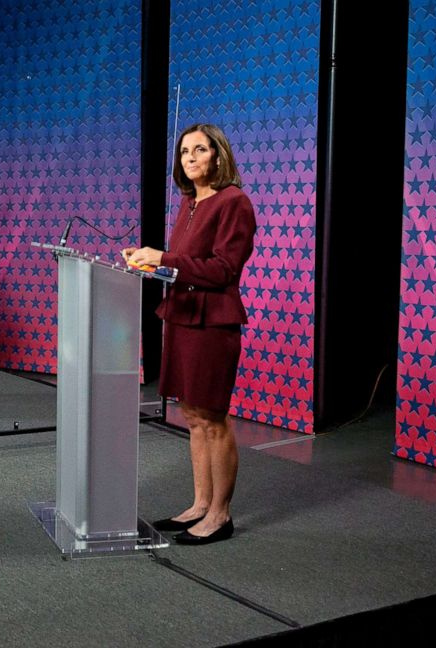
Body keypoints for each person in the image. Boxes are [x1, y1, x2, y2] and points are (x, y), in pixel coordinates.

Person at [123, 123, 256, 545]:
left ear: (218, 155)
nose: (191, 157)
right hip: (181, 315)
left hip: (212, 323)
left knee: (213, 418)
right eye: (184, 152)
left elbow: (223, 270)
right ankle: (200, 504)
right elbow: (182, 264)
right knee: (193, 418)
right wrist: (153, 265)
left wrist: (164, 256)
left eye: (200, 150)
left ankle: (220, 514)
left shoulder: (234, 202)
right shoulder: (189, 202)